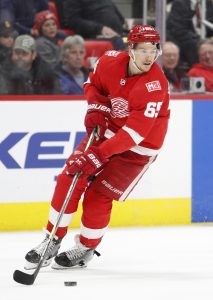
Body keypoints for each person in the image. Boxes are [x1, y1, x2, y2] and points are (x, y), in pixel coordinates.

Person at [24, 25, 170, 270]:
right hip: (106, 133)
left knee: (98, 195)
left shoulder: (155, 85)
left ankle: (86, 247)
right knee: (70, 174)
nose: (149, 56)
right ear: (130, 49)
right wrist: (95, 106)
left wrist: (99, 154)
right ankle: (51, 239)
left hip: (138, 148)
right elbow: (92, 84)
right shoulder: (109, 60)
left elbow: (134, 134)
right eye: (143, 50)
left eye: (153, 50)